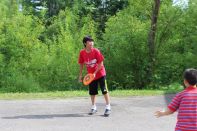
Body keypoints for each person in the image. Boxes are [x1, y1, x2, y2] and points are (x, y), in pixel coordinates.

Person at [78, 36, 111, 116]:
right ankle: (93, 107)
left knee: (104, 90)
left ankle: (108, 107)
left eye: (92, 41)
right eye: (90, 41)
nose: (92, 43)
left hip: (100, 73)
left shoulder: (96, 51)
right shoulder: (82, 53)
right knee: (92, 92)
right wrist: (80, 75)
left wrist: (95, 73)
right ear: (85, 43)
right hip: (91, 75)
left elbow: (101, 64)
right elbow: (81, 64)